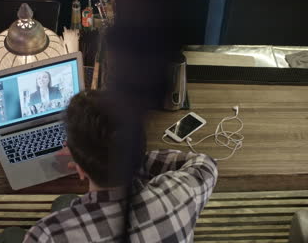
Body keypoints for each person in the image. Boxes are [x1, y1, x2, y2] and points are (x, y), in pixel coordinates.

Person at [16, 90, 217, 242]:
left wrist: (90, 154)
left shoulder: (47, 235)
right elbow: (206, 165)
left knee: (9, 235)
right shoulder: (181, 196)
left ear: (79, 167)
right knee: (64, 203)